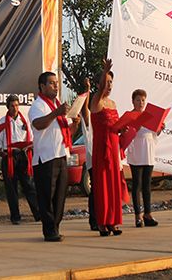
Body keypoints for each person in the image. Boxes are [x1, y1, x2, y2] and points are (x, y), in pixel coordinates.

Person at [29, 72, 80, 242]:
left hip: (61, 154)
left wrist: (75, 125)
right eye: (51, 83)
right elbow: (38, 124)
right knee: (46, 195)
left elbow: (66, 133)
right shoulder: (38, 105)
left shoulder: (58, 106)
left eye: (57, 83)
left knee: (60, 195)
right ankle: (49, 230)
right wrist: (56, 113)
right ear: (42, 87)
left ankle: (55, 227)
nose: (56, 86)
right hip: (46, 157)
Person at [90, 59, 124, 236]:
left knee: (113, 185)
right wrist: (105, 71)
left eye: (111, 82)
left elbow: (115, 126)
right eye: (106, 82)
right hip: (102, 148)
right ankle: (102, 222)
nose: (109, 85)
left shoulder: (113, 103)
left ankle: (113, 222)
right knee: (103, 185)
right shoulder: (96, 101)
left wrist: (123, 127)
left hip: (114, 148)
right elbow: (101, 89)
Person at [0, 94, 40, 225]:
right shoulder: (2, 121)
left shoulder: (24, 120)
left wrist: (29, 146)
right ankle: (15, 216)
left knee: (29, 185)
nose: (15, 108)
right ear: (7, 107)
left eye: (16, 105)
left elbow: (30, 137)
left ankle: (38, 213)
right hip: (8, 156)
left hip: (23, 155)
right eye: (12, 106)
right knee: (11, 188)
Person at [126, 89, 162, 228]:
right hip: (136, 154)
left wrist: (159, 128)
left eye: (143, 100)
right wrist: (136, 125)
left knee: (147, 185)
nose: (140, 103)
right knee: (137, 185)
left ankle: (148, 214)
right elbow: (127, 134)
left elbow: (153, 135)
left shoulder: (149, 116)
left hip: (148, 153)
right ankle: (138, 216)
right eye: (138, 100)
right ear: (133, 101)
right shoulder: (130, 116)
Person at [80, 78, 97, 231]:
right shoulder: (90, 117)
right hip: (94, 158)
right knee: (96, 190)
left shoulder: (104, 114)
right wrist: (88, 90)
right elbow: (85, 111)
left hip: (106, 158)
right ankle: (94, 220)